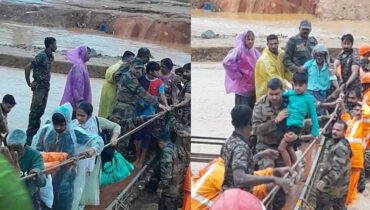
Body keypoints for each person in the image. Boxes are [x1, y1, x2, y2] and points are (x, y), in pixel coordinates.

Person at [31, 103, 104, 209]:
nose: (58, 128)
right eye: (56, 125)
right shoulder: (45, 131)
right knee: (44, 202)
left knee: (63, 203)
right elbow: (35, 150)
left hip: (66, 176)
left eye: (62, 125)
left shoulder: (75, 133)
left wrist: (92, 150)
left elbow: (97, 140)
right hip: (47, 174)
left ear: (68, 122)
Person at [220, 105, 291, 198]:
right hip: (238, 199)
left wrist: (262, 155)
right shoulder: (241, 147)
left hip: (226, 196)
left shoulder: (228, 142)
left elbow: (240, 164)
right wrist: (273, 179)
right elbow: (239, 178)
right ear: (250, 122)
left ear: (233, 122)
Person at [252, 78, 298, 209]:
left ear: (282, 91)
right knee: (267, 180)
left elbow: (299, 121)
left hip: (284, 146)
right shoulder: (260, 105)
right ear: (267, 91)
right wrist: (275, 121)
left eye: (277, 94)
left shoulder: (290, 101)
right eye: (271, 94)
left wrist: (296, 135)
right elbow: (255, 130)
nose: (274, 97)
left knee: (283, 186)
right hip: (265, 146)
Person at [72, 102, 123, 209]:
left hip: (92, 160)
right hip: (77, 158)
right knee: (74, 186)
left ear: (89, 115)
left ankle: (80, 207)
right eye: (77, 115)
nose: (79, 118)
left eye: (82, 116)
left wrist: (114, 137)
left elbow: (116, 126)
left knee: (86, 187)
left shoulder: (97, 121)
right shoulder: (73, 124)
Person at [278, 73, 319, 169]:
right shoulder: (291, 93)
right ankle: (296, 169)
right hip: (287, 123)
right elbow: (282, 94)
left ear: (306, 86)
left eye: (300, 85)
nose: (297, 88)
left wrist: (315, 131)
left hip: (295, 125)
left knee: (281, 148)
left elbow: (313, 115)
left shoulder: (309, 98)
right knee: (289, 147)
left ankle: (289, 170)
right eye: (295, 85)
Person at [310, 121, 352, 210]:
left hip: (333, 187)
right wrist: (325, 134)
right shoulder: (338, 141)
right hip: (341, 185)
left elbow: (338, 169)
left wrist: (325, 180)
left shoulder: (341, 147)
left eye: (338, 130)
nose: (334, 132)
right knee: (340, 207)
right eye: (333, 129)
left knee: (322, 206)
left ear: (344, 132)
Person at [134, 61, 168, 168]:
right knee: (137, 134)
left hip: (150, 112)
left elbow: (162, 95)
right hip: (138, 110)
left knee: (146, 135)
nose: (159, 72)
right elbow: (135, 93)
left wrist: (166, 106)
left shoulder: (160, 83)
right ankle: (137, 157)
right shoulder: (141, 80)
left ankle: (142, 159)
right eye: (157, 71)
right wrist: (138, 102)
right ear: (150, 71)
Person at [25, 37, 57, 145]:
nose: (56, 46)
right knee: (35, 111)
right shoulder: (41, 56)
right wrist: (29, 83)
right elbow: (27, 68)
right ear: (50, 45)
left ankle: (34, 135)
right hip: (39, 87)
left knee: (40, 111)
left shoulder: (50, 57)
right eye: (55, 44)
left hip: (45, 87)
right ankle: (29, 138)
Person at [6, 129, 46, 209]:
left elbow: (42, 182)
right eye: (10, 148)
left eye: (17, 148)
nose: (13, 151)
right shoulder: (4, 153)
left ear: (25, 145)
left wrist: (36, 175)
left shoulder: (35, 156)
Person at [340, 101, 370, 205]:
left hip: (355, 161)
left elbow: (367, 114)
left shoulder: (365, 126)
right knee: (342, 187)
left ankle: (347, 204)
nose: (359, 112)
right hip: (345, 159)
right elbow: (345, 119)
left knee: (350, 189)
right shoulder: (352, 122)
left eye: (360, 110)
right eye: (357, 110)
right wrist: (342, 106)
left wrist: (363, 105)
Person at [223, 30, 260, 108]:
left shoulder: (255, 52)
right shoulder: (238, 51)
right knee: (242, 111)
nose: (250, 41)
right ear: (244, 40)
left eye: (252, 39)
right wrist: (236, 73)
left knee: (252, 111)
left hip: (253, 87)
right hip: (242, 88)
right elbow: (227, 62)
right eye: (248, 39)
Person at [255, 34, 292, 100]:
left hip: (279, 88)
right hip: (266, 91)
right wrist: (286, 83)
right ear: (267, 44)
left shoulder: (281, 53)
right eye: (271, 44)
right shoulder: (265, 59)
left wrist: (291, 80)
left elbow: (286, 69)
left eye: (275, 44)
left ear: (278, 43)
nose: (273, 46)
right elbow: (273, 75)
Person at [98, 51, 135, 118]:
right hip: (111, 92)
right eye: (132, 59)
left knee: (104, 111)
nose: (132, 61)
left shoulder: (115, 66)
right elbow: (114, 78)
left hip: (107, 91)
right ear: (127, 58)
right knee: (109, 112)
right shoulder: (118, 68)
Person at [60, 46, 92, 117]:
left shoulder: (81, 65)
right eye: (88, 53)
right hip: (74, 104)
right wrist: (79, 102)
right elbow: (77, 85)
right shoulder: (78, 67)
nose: (90, 56)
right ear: (83, 54)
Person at [157, 135, 187, 210]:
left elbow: (166, 174)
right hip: (177, 187)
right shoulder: (179, 149)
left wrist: (161, 187)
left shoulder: (167, 151)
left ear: (161, 142)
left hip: (168, 190)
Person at [172, 63, 191, 127]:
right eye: (184, 71)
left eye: (187, 72)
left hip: (187, 114)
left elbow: (186, 100)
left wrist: (176, 106)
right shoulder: (187, 82)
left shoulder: (189, 84)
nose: (185, 74)